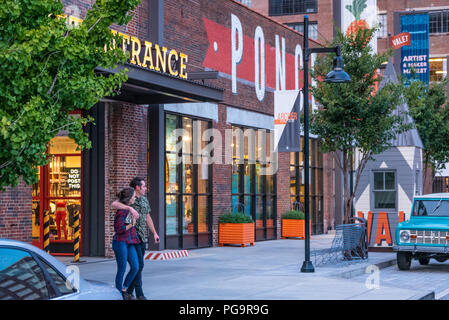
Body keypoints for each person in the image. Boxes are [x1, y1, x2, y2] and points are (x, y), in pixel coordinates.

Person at [112, 177, 160, 300]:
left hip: (137, 238)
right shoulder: (124, 205)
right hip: (127, 239)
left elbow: (148, 217)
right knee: (131, 266)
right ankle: (134, 293)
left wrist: (154, 233)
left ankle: (127, 290)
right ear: (137, 188)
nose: (145, 188)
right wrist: (130, 209)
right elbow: (114, 205)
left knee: (138, 266)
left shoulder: (144, 200)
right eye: (143, 186)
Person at [112, 187, 140, 300]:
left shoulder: (129, 209)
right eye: (133, 196)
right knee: (122, 269)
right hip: (120, 242)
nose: (135, 198)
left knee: (135, 267)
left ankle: (124, 288)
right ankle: (118, 294)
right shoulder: (122, 211)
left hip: (129, 242)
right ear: (129, 198)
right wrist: (132, 224)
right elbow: (119, 229)